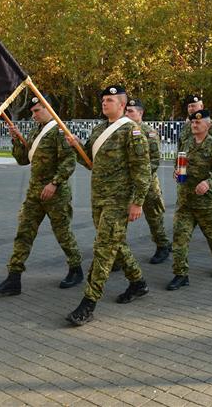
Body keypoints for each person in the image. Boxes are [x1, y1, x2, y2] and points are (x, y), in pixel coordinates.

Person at [65, 85, 151, 326]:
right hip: (99, 199)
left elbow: (142, 171)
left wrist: (137, 202)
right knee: (116, 244)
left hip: (119, 200)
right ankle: (138, 283)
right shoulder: (99, 129)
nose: (105, 103)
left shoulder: (131, 132)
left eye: (110, 100)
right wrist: (75, 146)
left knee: (103, 247)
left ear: (122, 105)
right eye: (103, 99)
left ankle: (88, 303)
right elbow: (90, 162)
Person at [0, 95, 82, 296]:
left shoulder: (59, 130)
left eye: (37, 110)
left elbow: (69, 160)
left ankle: (76, 269)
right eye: (32, 112)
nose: (33, 115)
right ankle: (14, 278)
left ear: (49, 109)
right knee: (24, 232)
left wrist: (54, 183)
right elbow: (23, 159)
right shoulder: (35, 131)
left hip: (56, 193)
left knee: (62, 233)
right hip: (34, 192)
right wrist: (15, 140)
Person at [167, 109, 212, 290]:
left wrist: (209, 182)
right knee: (179, 238)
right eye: (193, 122)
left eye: (198, 122)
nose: (194, 125)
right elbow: (178, 163)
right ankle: (180, 274)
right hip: (185, 200)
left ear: (208, 125)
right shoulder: (186, 143)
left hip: (206, 201)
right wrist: (176, 172)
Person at [125, 98, 171, 264]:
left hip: (148, 184)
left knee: (154, 217)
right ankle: (117, 255)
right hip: (126, 184)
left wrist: (141, 177)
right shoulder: (122, 130)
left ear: (140, 113)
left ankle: (162, 245)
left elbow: (155, 160)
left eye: (131, 111)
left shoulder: (148, 132)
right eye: (126, 111)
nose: (127, 114)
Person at [178, 94, 212, 240]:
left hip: (206, 174)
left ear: (201, 107)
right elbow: (181, 148)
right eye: (189, 106)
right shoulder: (186, 126)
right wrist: (178, 167)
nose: (191, 108)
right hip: (188, 174)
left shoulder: (210, 125)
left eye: (194, 106)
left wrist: (211, 178)